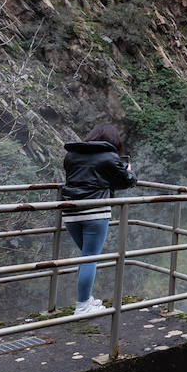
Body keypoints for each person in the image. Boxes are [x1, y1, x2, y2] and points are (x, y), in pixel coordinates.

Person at [61, 124, 137, 314]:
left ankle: (86, 300)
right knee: (90, 257)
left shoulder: (71, 155)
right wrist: (129, 171)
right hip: (95, 212)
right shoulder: (109, 157)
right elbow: (125, 182)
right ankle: (82, 306)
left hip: (70, 212)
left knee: (86, 256)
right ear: (113, 141)